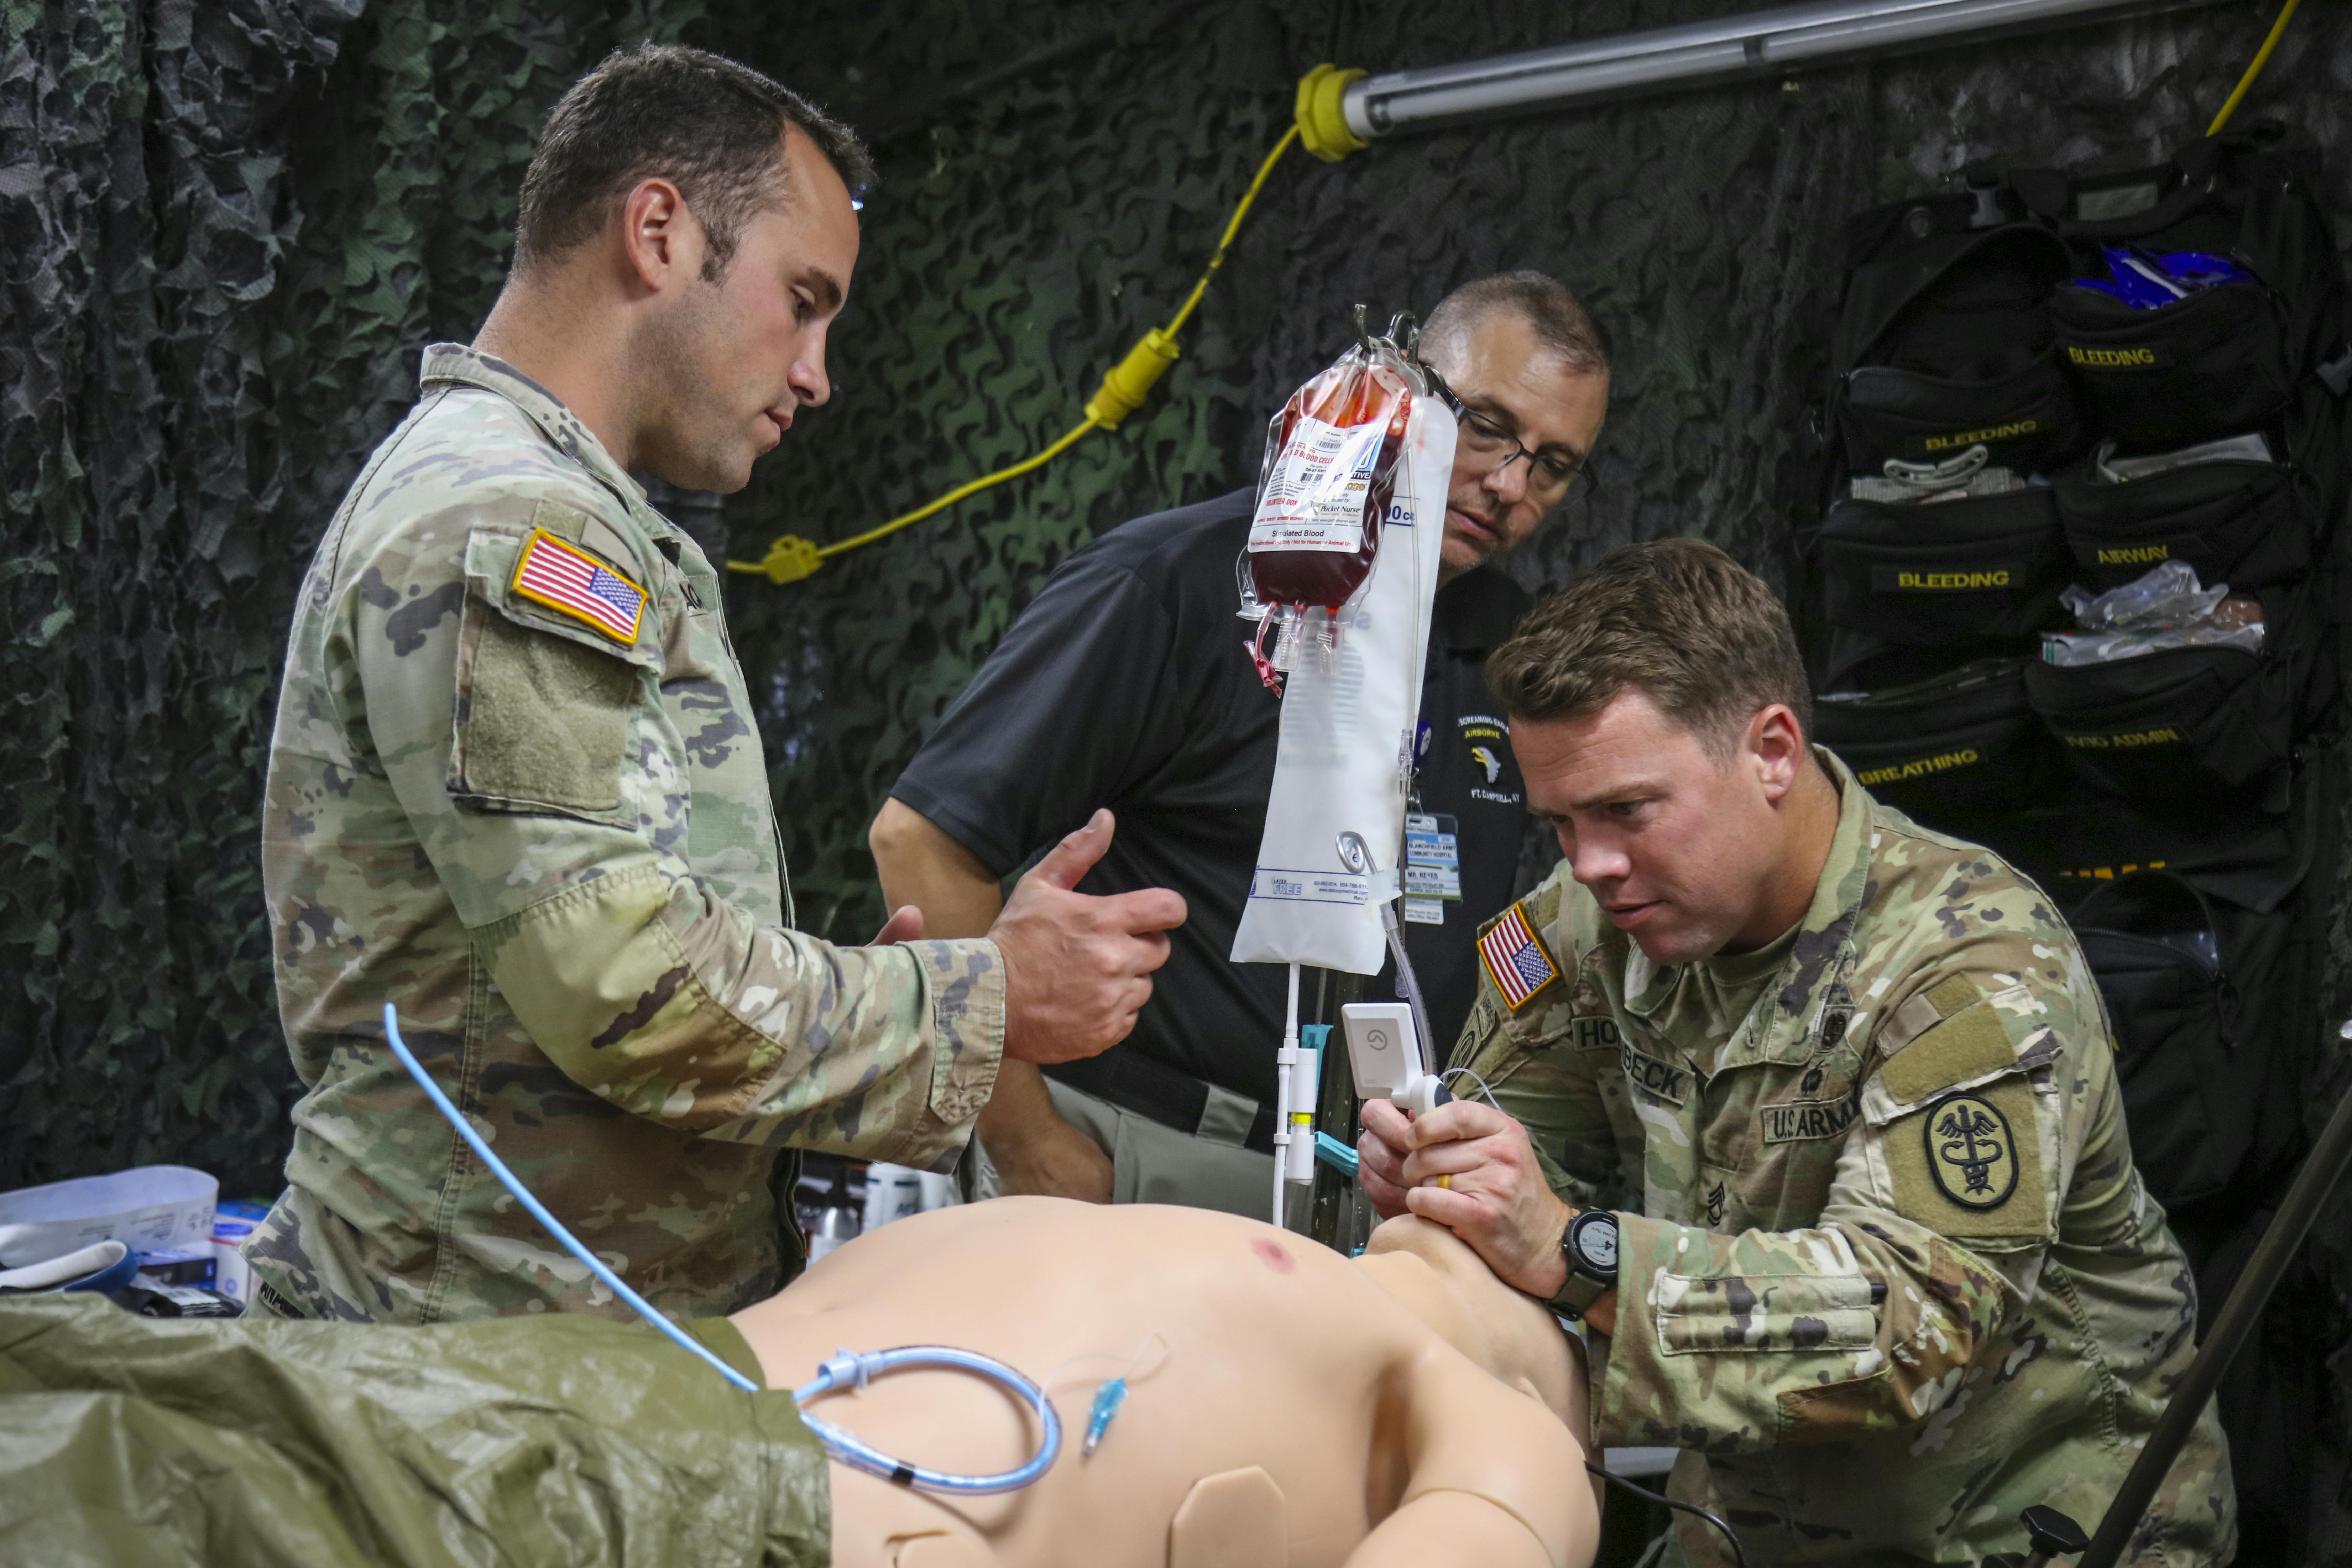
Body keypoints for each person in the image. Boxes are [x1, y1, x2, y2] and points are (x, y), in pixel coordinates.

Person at [246, 44, 1185, 1326]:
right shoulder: (520, 520)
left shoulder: (549, 507)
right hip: (488, 1372)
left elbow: (576, 974)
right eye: (802, 300)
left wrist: (843, 1015)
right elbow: (623, 987)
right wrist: (979, 995)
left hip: (537, 1335)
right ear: (658, 233)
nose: (817, 371)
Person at [1357, 539, 2233, 1566]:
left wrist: (1572, 1248)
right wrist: (1447, 1179)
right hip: (1742, 1520)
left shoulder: (1968, 964)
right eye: (1558, 823)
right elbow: (1516, 1165)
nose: (1591, 862)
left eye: (1626, 810)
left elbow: (1913, 1322)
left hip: (2018, 1528)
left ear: (1771, 750)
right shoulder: (1580, 926)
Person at [870, 274, 1611, 1215]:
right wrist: (1031, 1145)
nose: (1508, 483)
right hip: (1139, 1144)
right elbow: (922, 844)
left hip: (1364, 1185)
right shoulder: (1178, 584)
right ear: (1404, 392)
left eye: (1551, 463)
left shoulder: (1505, 654)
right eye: (1487, 426)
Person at [3, 1207, 1602, 1568]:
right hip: (683, 1449)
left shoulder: (1503, 1408)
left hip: (729, 1486)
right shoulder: (1310, 1283)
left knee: (138, 1448)